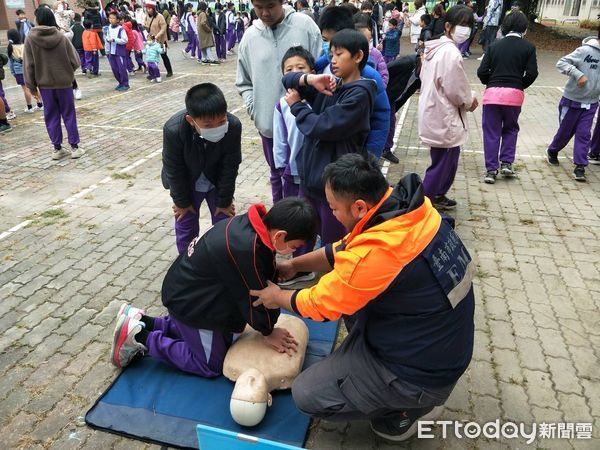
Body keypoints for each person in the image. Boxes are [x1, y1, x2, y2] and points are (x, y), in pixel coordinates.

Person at [250, 153, 475, 442]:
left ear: (358, 207)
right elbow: (343, 249)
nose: (331, 214)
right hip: (435, 339)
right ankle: (368, 369)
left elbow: (321, 302)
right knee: (351, 300)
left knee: (306, 394)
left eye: (333, 208)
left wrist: (276, 296)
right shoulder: (406, 211)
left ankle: (408, 410)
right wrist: (294, 265)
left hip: (420, 371)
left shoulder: (380, 252)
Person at [110, 197, 319, 374]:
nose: (291, 251)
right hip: (190, 302)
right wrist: (268, 331)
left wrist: (276, 272)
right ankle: (139, 336)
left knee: (231, 333)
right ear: (280, 235)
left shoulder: (254, 226)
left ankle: (143, 321)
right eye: (294, 247)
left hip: (188, 291)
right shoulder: (247, 249)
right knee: (210, 363)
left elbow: (260, 274)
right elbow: (256, 297)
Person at [282, 29, 377, 246]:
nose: (332, 61)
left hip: (335, 186)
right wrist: (310, 78)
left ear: (358, 56)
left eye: (339, 54)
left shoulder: (359, 95)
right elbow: (287, 80)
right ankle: (302, 268)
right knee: (303, 230)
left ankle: (332, 276)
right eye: (331, 54)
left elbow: (322, 126)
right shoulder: (333, 86)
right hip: (313, 179)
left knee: (332, 241)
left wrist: (297, 106)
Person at [236, 0, 321, 204]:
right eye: (258, 7)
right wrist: (255, 110)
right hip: (269, 127)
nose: (264, 13)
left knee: (311, 175)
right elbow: (243, 82)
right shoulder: (249, 37)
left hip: (308, 125)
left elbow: (321, 68)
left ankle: (312, 224)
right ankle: (280, 219)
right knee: (277, 174)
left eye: (270, 6)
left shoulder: (305, 26)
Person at [162, 84, 242, 253]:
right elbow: (174, 169)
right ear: (191, 120)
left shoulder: (233, 126)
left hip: (216, 181)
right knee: (185, 221)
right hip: (188, 182)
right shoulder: (173, 130)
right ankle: (186, 264)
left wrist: (225, 200)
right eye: (208, 125)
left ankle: (225, 260)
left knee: (225, 222)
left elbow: (230, 165)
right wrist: (182, 202)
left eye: (221, 121)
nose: (216, 128)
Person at [418, 5, 479, 210]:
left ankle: (437, 194)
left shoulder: (435, 49)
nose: (465, 30)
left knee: (447, 160)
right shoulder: (450, 53)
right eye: (461, 25)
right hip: (444, 116)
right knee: (442, 164)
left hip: (435, 112)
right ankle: (424, 204)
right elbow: (456, 90)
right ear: (447, 26)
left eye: (468, 26)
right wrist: (470, 101)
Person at [317, 7, 391, 162]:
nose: (330, 47)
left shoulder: (369, 76)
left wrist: (370, 157)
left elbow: (381, 117)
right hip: (325, 151)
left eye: (336, 41)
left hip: (353, 156)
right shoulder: (319, 68)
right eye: (325, 40)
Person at [477, 11, 537, 184]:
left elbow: (482, 71)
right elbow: (532, 73)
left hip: (493, 94)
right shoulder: (528, 47)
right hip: (514, 95)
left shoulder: (493, 46)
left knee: (491, 131)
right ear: (524, 28)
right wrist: (519, 85)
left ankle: (490, 170)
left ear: (504, 27)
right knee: (511, 128)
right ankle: (507, 163)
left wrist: (491, 83)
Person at [23, 6, 84, 160]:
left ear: (38, 19)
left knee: (51, 116)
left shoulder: (30, 38)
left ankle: (57, 149)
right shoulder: (61, 36)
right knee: (69, 114)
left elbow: (28, 65)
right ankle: (74, 147)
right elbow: (75, 61)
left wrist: (31, 86)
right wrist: (66, 71)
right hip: (64, 83)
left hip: (45, 85)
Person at [546, 36, 600, 182]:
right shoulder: (584, 51)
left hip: (592, 103)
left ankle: (580, 166)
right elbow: (561, 63)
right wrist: (578, 74)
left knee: (584, 134)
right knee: (565, 132)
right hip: (572, 101)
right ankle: (552, 150)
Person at [7, 29, 44, 115]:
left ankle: (29, 107)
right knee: (34, 87)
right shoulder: (25, 45)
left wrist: (13, 73)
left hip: (19, 71)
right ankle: (40, 104)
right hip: (29, 69)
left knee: (25, 89)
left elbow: (11, 63)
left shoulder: (10, 48)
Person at [145, 0, 174, 77]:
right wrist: (145, 27)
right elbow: (148, 28)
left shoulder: (160, 16)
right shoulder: (147, 17)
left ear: (153, 9)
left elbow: (163, 28)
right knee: (152, 57)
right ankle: (153, 73)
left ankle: (169, 71)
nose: (148, 10)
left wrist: (157, 36)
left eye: (149, 9)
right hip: (152, 41)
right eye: (147, 9)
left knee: (164, 56)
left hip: (161, 40)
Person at [105, 12, 130, 91]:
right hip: (111, 52)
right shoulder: (109, 27)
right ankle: (120, 82)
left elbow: (125, 40)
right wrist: (107, 41)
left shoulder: (121, 29)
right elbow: (107, 37)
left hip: (119, 51)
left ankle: (125, 84)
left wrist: (115, 40)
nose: (111, 20)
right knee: (114, 69)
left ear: (117, 20)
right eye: (110, 18)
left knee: (121, 68)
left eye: (113, 18)